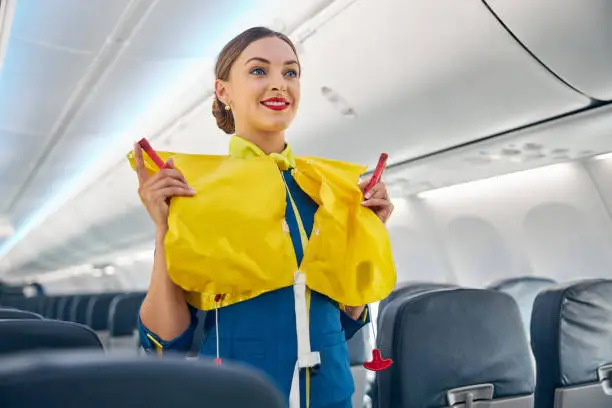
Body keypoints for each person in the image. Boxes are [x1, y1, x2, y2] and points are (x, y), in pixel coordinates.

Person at [130, 26, 395, 408]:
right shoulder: (197, 189)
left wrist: (366, 233)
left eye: (290, 72)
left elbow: (342, 322)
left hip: (329, 394)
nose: (278, 84)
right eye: (258, 71)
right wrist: (163, 228)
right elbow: (165, 341)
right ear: (223, 91)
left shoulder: (328, 187)